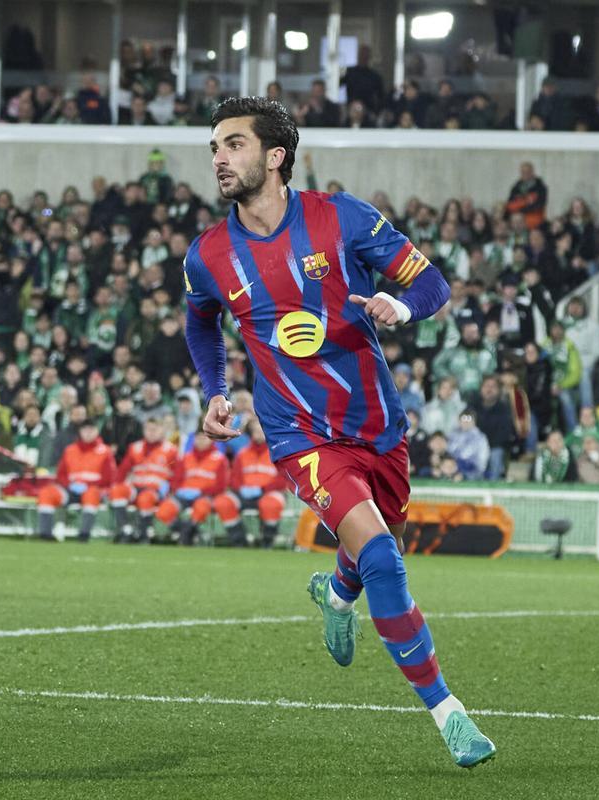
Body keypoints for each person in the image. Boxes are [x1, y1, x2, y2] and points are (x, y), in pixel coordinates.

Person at [185, 96, 494, 765]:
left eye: (232, 144)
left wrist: (401, 305)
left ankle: (337, 591)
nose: (218, 158)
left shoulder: (342, 218)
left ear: (275, 155)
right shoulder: (208, 255)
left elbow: (432, 283)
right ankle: (450, 715)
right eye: (213, 147)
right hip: (299, 433)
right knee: (384, 555)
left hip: (378, 425)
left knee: (371, 547)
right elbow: (199, 320)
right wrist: (214, 391)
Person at [36, 418, 126, 542]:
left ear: (96, 432)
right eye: (85, 430)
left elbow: (109, 478)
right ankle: (45, 534)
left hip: (93, 490)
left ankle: (84, 534)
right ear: (80, 432)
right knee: (46, 493)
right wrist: (70, 485)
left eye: (91, 430)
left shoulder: (105, 451)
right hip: (70, 489)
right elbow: (61, 475)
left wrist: (88, 485)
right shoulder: (70, 450)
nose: (88, 433)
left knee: (91, 495)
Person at [214, 420, 288, 547]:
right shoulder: (242, 454)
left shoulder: (277, 452)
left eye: (261, 430)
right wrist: (241, 488)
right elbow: (234, 478)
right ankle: (239, 540)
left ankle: (267, 541)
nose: (259, 434)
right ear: (251, 434)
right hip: (244, 494)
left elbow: (283, 479)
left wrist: (263, 489)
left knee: (270, 504)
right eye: (255, 431)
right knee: (222, 502)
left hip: (269, 493)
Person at [154, 431, 230, 545]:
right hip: (183, 495)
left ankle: (186, 534)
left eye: (204, 438)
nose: (200, 441)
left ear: (211, 440)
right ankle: (188, 530)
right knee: (163, 512)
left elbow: (221, 485)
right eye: (198, 438)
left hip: (205, 495)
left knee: (201, 509)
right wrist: (177, 490)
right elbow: (176, 480)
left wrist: (202, 491)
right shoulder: (185, 458)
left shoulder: (220, 459)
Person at [113, 415, 179, 543]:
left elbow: (177, 474)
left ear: (162, 430)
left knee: (146, 498)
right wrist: (116, 484)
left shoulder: (170, 450)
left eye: (155, 429)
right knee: (117, 491)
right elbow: (122, 471)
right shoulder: (135, 447)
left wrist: (171, 490)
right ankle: (125, 529)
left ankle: (144, 533)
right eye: (148, 429)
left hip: (155, 490)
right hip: (136, 487)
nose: (151, 432)